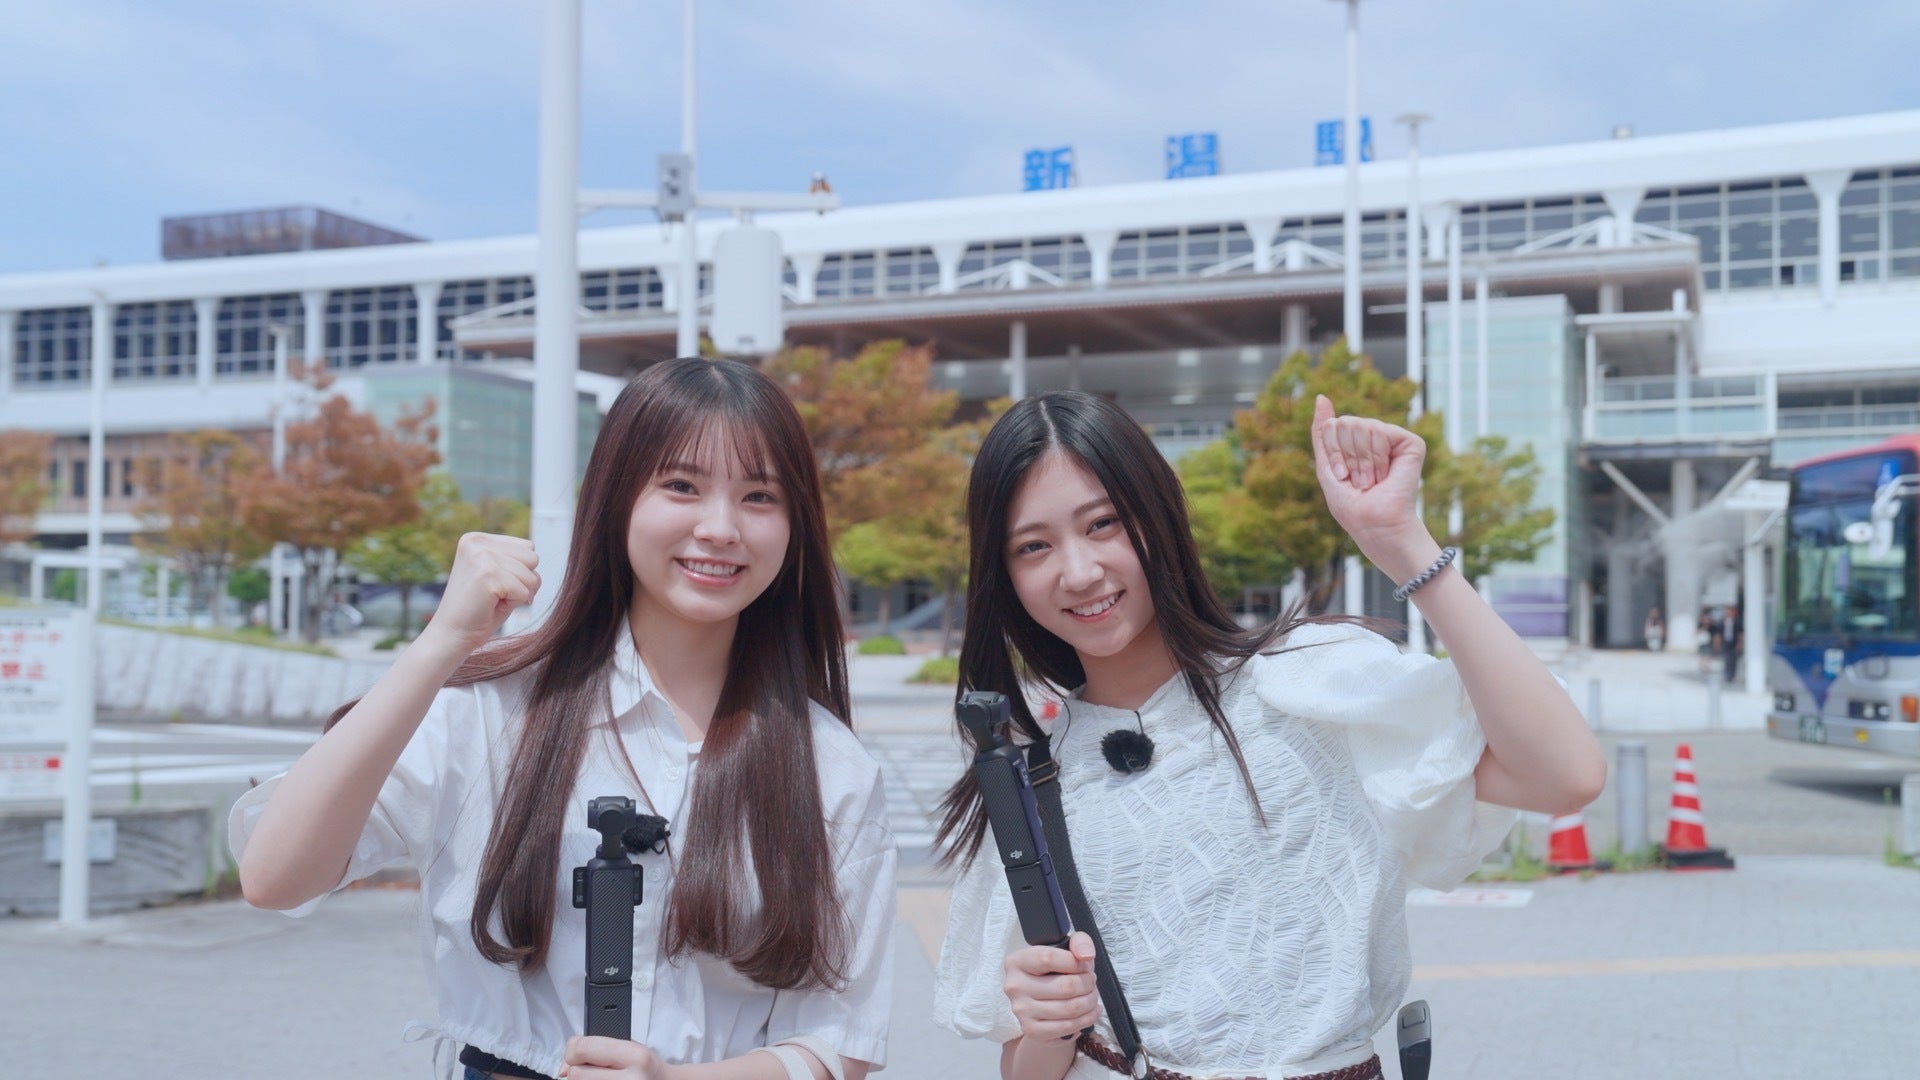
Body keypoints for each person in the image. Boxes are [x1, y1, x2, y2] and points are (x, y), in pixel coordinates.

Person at [231, 358, 895, 1080]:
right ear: (616, 497)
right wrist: (442, 644)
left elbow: (837, 1043)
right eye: (681, 486)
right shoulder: (493, 709)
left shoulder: (829, 765)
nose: (720, 527)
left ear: (795, 526)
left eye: (759, 496)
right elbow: (275, 876)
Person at [931, 391, 1606, 1080]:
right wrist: (1047, 1029)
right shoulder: (1031, 784)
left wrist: (1403, 544)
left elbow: (1564, 775)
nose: (1078, 572)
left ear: (1158, 516)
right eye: (1034, 546)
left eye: (1103, 523)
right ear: (1004, 575)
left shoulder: (1304, 684)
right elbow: (1027, 1066)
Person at [1720, 603, 1743, 684]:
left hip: (1734, 643)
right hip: (1726, 642)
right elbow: (1719, 633)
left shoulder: (1737, 622)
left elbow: (1740, 634)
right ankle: (1727, 675)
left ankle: (1732, 675)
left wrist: (1739, 644)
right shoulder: (1723, 621)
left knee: (1733, 660)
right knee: (1726, 659)